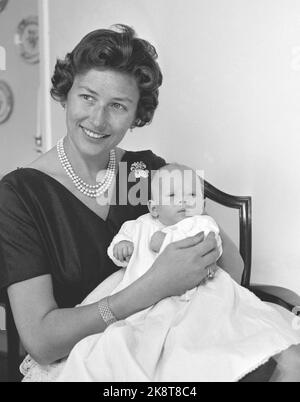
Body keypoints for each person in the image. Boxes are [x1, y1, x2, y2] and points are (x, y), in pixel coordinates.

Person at [0, 24, 299, 382]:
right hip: (90, 362)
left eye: (118, 106)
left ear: (137, 113)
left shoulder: (144, 172)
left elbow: (230, 271)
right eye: (88, 97)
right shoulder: (21, 195)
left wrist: (195, 218)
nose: (98, 119)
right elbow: (43, 342)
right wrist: (153, 286)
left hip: (171, 342)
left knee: (291, 360)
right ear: (66, 93)